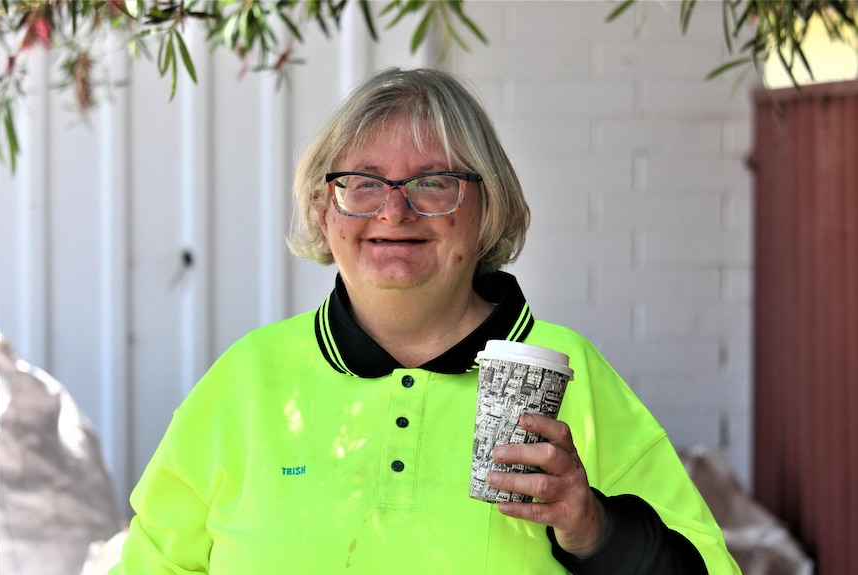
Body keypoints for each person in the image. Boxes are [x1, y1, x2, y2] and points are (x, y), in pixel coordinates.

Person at [110, 67, 740, 574]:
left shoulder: (564, 373)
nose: (394, 212)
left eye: (434, 184)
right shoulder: (247, 379)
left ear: (487, 207)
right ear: (323, 210)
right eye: (362, 184)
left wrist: (594, 529)